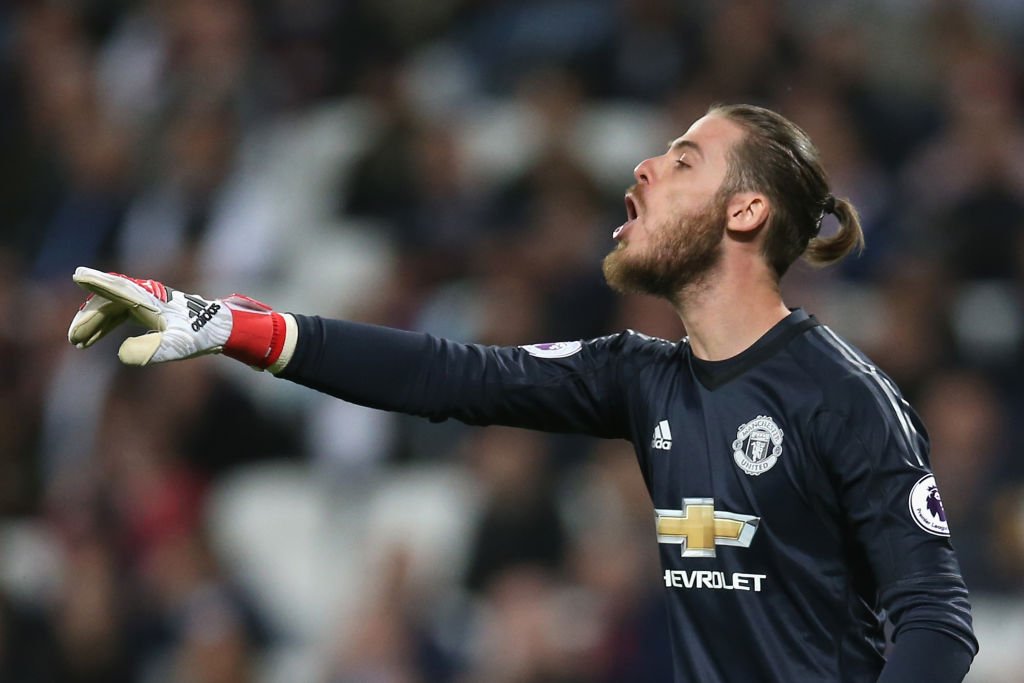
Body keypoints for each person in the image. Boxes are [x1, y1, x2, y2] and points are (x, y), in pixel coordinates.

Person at [68, 104, 978, 682]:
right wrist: (228, 324)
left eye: (684, 160)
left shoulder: (844, 395)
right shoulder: (642, 377)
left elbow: (937, 617)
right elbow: (446, 374)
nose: (644, 168)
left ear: (746, 211)